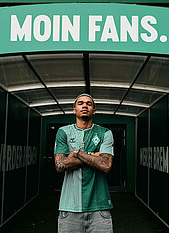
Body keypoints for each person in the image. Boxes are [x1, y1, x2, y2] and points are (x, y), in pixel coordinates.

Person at [54, 93, 114, 233]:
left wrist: (77, 153)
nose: (84, 106)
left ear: (94, 110)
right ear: (74, 109)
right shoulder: (63, 132)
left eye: (89, 103)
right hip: (69, 208)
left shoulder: (105, 133)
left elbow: (106, 165)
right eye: (80, 103)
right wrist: (94, 156)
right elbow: (60, 165)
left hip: (100, 209)